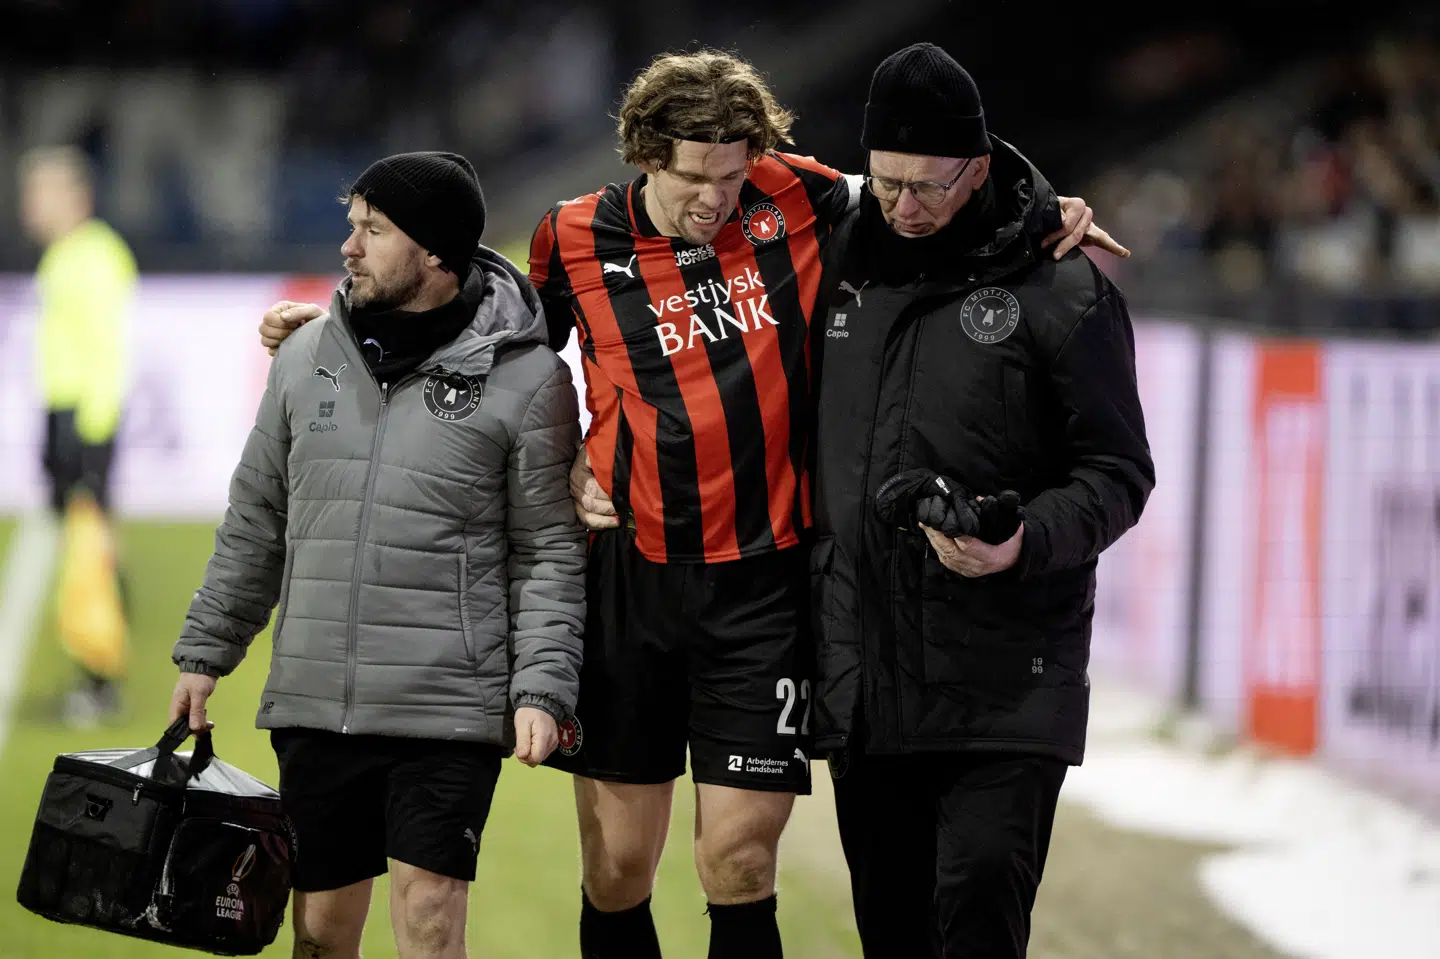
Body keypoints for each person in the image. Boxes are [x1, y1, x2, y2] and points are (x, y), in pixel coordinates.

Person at [258, 51, 1124, 959]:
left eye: (732, 172)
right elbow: (479, 335)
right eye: (691, 177)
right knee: (619, 869)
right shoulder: (572, 236)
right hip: (631, 581)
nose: (716, 198)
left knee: (740, 860)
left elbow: (944, 178)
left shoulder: (803, 194)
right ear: (642, 155)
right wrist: (337, 326)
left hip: (763, 587)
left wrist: (1046, 211)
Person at [171, 151, 586, 959]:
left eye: (374, 229)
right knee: (321, 935)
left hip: (448, 706)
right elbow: (257, 518)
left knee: (431, 923)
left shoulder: (530, 380)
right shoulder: (301, 357)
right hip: (318, 699)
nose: (348, 247)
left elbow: (548, 552)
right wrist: (206, 650)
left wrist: (542, 686)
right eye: (352, 225)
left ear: (434, 251)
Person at [810, 44, 1156, 957]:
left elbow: (1119, 473)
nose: (904, 207)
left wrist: (1022, 542)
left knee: (977, 919)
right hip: (871, 685)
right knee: (893, 934)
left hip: (1007, 685)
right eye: (884, 184)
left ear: (980, 163)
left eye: (927, 186)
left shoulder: (1063, 283)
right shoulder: (834, 255)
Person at [19, 145, 138, 726]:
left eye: (39, 192)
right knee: (87, 550)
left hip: (86, 424)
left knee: (92, 552)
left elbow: (105, 353)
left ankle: (100, 680)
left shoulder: (92, 257)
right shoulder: (67, 256)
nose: (29, 206)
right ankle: (95, 676)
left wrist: (87, 439)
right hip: (70, 418)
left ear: (75, 196)